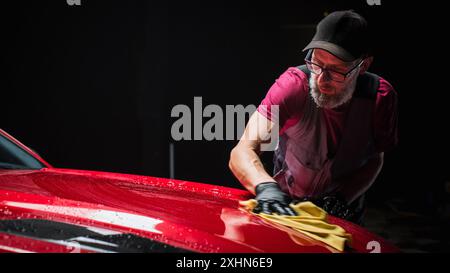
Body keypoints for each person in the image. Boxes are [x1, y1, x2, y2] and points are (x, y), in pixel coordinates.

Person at [229, 10, 398, 224]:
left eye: (337, 71)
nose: (322, 79)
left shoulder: (380, 98)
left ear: (363, 65)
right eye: (317, 63)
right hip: (285, 206)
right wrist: (265, 187)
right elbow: (243, 150)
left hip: (343, 213)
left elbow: (375, 159)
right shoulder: (293, 86)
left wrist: (342, 198)